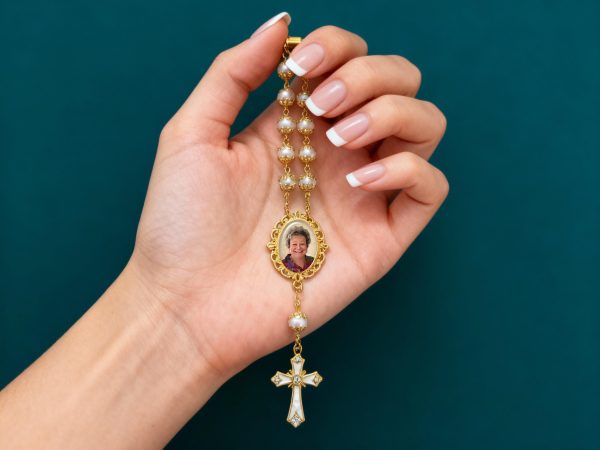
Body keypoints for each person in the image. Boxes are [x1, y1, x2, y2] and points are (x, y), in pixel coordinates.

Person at [0, 12, 448, 448]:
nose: (297, 245)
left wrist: (178, 322)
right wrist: (170, 308)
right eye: (295, 241)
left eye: (299, 242)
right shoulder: (279, 253)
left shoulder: (305, 253)